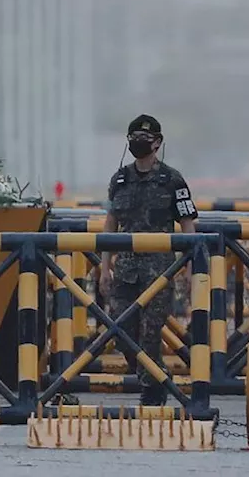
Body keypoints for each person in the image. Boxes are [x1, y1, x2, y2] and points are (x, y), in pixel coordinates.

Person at [99, 114, 198, 406]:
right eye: (133, 139)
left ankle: (153, 391)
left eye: (144, 139)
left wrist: (191, 270)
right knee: (122, 333)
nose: (138, 143)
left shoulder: (172, 180)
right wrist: (105, 267)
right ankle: (153, 379)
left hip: (159, 272)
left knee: (151, 334)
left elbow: (188, 226)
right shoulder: (119, 180)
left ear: (157, 143)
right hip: (125, 271)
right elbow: (110, 224)